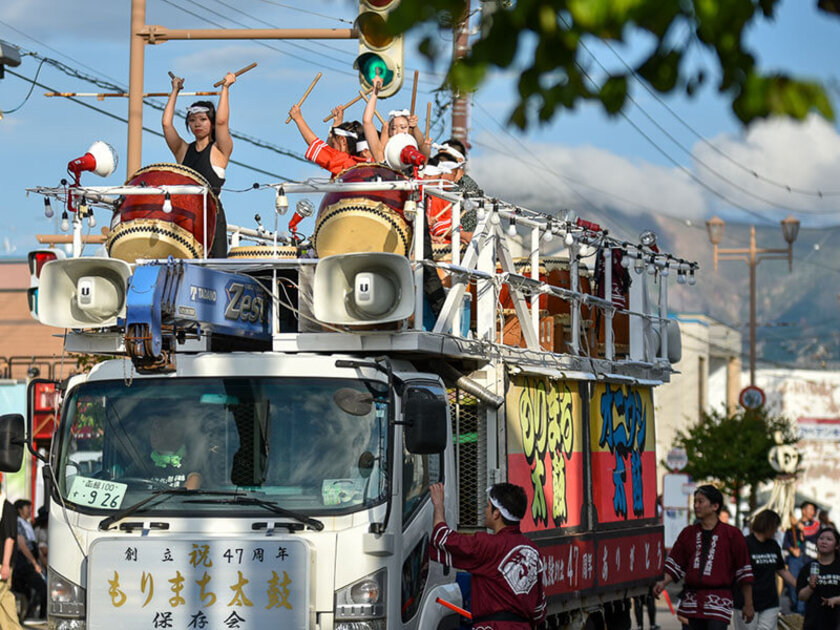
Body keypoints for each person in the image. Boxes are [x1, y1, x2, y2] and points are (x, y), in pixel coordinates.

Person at [428, 482, 546, 629]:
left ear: (497, 513)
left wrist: (438, 505)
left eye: (488, 506)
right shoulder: (534, 551)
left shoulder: (487, 545)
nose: (485, 510)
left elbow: (442, 538)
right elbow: (538, 610)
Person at [654, 484, 754, 629]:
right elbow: (675, 565)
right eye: (695, 502)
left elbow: (744, 571)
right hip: (692, 602)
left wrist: (748, 604)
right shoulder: (688, 533)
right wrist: (662, 583)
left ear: (715, 506)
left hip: (719, 602)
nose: (696, 505)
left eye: (701, 501)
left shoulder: (732, 534)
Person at [162, 71, 236, 258]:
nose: (197, 124)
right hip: (185, 217)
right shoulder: (183, 150)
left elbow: (222, 122)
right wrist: (175, 91)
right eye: (192, 120)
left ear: (210, 123)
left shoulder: (219, 150)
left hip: (212, 217)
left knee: (214, 265)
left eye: (203, 119)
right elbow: (166, 124)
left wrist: (225, 88)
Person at [732, 510, 796, 630]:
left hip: (769, 601)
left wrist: (799, 586)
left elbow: (781, 570)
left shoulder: (773, 545)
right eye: (775, 527)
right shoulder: (745, 544)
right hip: (745, 602)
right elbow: (741, 575)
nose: (776, 531)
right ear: (768, 525)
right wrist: (748, 604)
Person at [288, 103, 371, 176]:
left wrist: (298, 119)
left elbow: (322, 148)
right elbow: (328, 152)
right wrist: (337, 122)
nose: (331, 147)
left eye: (333, 143)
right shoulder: (359, 163)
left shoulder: (346, 163)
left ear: (343, 141)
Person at [796, 526, 840, 630]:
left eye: (829, 539)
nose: (824, 542)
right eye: (821, 538)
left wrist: (836, 600)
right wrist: (810, 587)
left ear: (837, 546)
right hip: (813, 623)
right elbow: (801, 597)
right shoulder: (808, 567)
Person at [12, 500, 44, 620]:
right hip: (23, 562)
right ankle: (31, 616)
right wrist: (34, 562)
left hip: (30, 561)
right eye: (27, 508)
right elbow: (22, 545)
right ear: (20, 510)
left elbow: (34, 546)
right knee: (39, 587)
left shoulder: (28, 524)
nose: (29, 511)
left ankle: (26, 616)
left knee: (28, 591)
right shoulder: (18, 523)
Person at [0, 486, 22, 630]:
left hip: (1, 563)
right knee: (5, 600)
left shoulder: (6, 508)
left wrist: (6, 565)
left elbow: (10, 538)